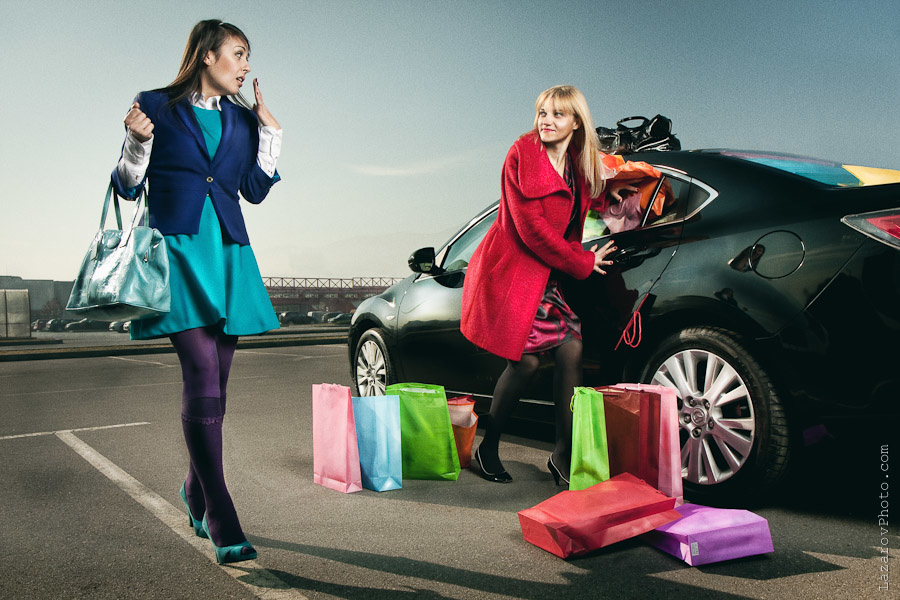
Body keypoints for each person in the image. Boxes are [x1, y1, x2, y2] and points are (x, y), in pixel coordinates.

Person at [110, 19, 282, 563]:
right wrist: (137, 142)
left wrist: (271, 134)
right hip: (176, 254)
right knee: (202, 373)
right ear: (208, 54)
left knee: (218, 386)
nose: (246, 65)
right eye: (239, 53)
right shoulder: (154, 106)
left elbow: (253, 191)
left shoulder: (243, 120)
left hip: (228, 252)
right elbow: (127, 185)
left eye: (247, 56)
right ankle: (220, 512)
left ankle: (192, 489)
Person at [461, 85, 644, 486]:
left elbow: (579, 200)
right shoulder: (522, 155)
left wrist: (613, 194)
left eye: (558, 114)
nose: (546, 121)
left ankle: (562, 454)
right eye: (543, 112)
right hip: (512, 272)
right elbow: (532, 230)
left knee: (570, 347)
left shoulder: (576, 161)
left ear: (576, 122)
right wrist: (584, 261)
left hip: (544, 276)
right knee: (525, 361)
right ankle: (489, 448)